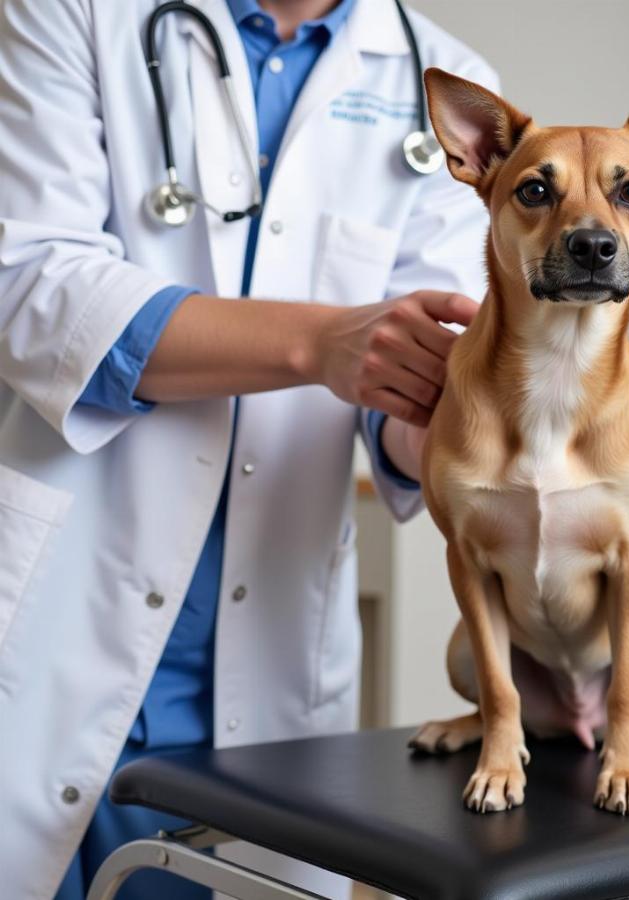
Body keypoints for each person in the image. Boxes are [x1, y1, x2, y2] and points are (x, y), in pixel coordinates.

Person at [0, 0, 497, 897]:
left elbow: (407, 402)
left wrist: (473, 427)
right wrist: (324, 342)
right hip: (48, 633)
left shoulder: (446, 83)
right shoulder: (74, 12)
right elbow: (34, 291)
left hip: (263, 682)